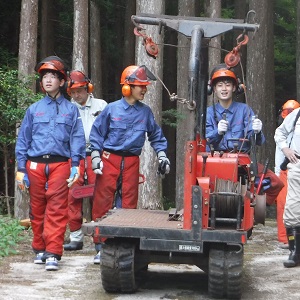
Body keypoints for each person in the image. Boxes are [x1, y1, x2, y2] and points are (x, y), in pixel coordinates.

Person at [89, 65, 170, 263]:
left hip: (132, 160)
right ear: (127, 87)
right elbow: (97, 134)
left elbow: (156, 136)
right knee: (103, 201)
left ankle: (124, 246)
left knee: (128, 205)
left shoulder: (145, 112)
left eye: (144, 86)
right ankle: (101, 247)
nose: (144, 89)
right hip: (110, 159)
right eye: (139, 86)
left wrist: (162, 155)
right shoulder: (111, 109)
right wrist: (95, 157)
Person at [15, 56, 86, 271]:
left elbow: (77, 138)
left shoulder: (71, 110)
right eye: (44, 76)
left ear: (62, 82)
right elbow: (23, 140)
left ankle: (53, 252)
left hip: (60, 165)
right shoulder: (33, 109)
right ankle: (39, 249)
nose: (47, 80)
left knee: (57, 209)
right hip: (34, 165)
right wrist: (20, 169)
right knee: (37, 209)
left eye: (52, 77)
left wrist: (76, 164)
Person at [206, 63, 283, 205]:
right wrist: (217, 133)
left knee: (275, 183)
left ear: (235, 88)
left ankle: (254, 207)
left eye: (228, 85)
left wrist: (257, 131)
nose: (224, 89)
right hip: (215, 161)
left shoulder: (244, 110)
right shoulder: (209, 113)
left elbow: (257, 141)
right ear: (214, 89)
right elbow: (205, 140)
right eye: (220, 85)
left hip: (243, 163)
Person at [63, 70, 107, 252]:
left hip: (97, 154)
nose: (76, 95)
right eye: (73, 92)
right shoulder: (68, 108)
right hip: (75, 156)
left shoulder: (102, 105)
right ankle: (75, 237)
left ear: (88, 88)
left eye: (79, 90)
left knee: (100, 196)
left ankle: (100, 239)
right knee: (72, 195)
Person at [274, 104, 300, 268]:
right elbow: (280, 133)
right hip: (297, 165)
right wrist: (285, 149)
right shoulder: (296, 115)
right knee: (291, 209)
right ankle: (295, 252)